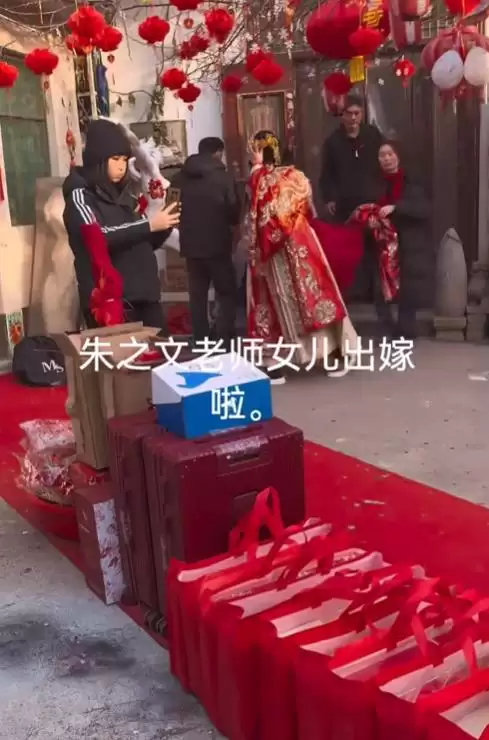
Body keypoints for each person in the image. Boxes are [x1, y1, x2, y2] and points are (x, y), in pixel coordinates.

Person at [246, 130, 359, 384]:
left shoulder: (280, 178)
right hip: (287, 247)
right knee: (281, 303)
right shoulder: (292, 177)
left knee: (308, 299)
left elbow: (273, 212)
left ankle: (334, 353)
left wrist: (256, 172)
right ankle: (278, 361)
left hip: (291, 247)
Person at [63, 118, 180, 330]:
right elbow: (97, 236)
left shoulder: (126, 198)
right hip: (111, 305)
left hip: (146, 298)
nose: (121, 166)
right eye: (115, 159)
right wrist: (148, 226)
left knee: (161, 349)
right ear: (98, 160)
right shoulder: (80, 197)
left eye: (125, 159)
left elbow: (141, 240)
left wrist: (163, 225)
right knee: (123, 353)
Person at [171, 136, 241, 349]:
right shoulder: (225, 178)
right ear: (218, 153)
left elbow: (170, 207)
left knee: (197, 295)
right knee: (225, 291)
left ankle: (200, 338)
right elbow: (234, 213)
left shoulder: (178, 178)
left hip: (191, 246)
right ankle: (224, 338)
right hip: (218, 244)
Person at [375, 141, 431, 338]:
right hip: (382, 244)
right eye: (382, 155)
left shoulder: (412, 182)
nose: (387, 158)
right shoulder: (374, 183)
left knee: (409, 287)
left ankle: (406, 331)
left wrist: (396, 208)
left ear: (398, 157)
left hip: (408, 243)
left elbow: (423, 209)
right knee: (380, 288)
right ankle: (387, 329)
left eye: (390, 154)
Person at [319, 93, 384, 223]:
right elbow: (327, 173)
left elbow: (383, 161)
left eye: (356, 113)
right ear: (342, 114)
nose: (353, 117)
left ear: (362, 114)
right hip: (345, 206)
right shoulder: (333, 141)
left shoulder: (372, 135)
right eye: (349, 113)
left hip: (373, 201)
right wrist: (329, 198)